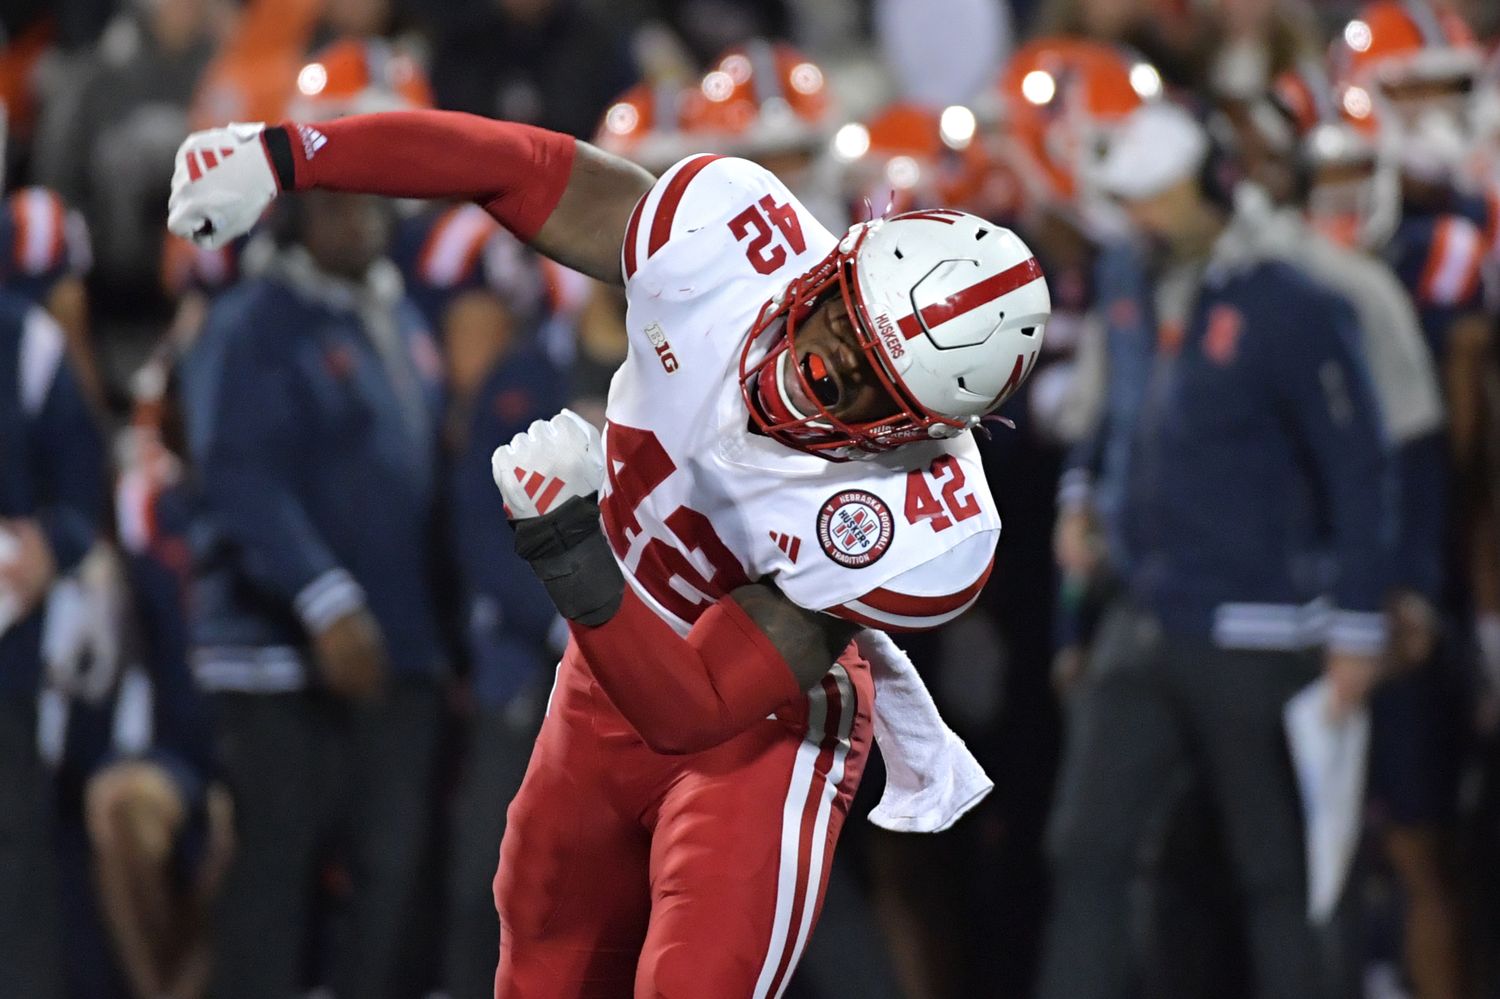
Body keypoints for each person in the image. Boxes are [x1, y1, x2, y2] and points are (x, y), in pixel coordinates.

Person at [167, 97, 1049, 993]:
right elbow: (514, 165)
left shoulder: (918, 523)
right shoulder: (728, 241)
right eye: (843, 321)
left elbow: (696, 708)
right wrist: (291, 153)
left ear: (917, 428)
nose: (825, 362)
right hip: (607, 664)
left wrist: (568, 546)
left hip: (759, 728)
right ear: (834, 268)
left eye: (872, 381)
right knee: (539, 955)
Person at [1032, 101, 1396, 999]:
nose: (1140, 217)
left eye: (1156, 196)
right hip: (1142, 609)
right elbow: (1109, 418)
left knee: (1281, 872)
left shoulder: (1290, 299)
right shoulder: (1126, 277)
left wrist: (1358, 626)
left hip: (1256, 624)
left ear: (1210, 186)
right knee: (1085, 846)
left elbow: (1360, 467)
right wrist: (1081, 501)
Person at [174, 107, 448, 997]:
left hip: (396, 649)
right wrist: (323, 597)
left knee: (387, 886)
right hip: (281, 654)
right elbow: (238, 476)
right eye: (335, 203)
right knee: (273, 884)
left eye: (369, 202)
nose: (356, 221)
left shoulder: (396, 315)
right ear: (293, 213)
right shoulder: (251, 322)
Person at [0, 287, 106, 998]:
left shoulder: (25, 340)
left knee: (14, 863)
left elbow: (82, 494)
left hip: (7, 656)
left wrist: (50, 543)